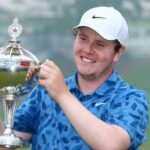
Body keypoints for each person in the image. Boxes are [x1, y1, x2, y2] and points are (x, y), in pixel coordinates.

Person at [0, 6, 149, 150]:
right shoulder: (44, 92)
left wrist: (62, 94)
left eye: (100, 44)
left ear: (118, 52)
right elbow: (6, 141)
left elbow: (111, 145)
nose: (87, 49)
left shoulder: (132, 98)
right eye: (83, 38)